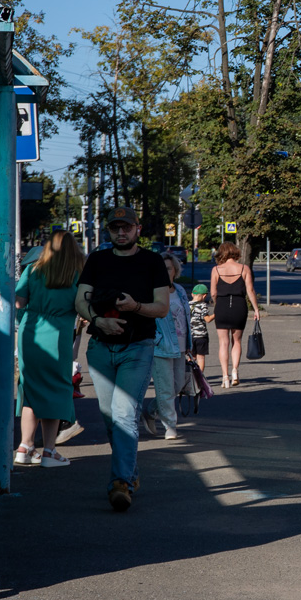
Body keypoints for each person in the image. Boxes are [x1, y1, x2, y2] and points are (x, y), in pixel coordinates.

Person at [76, 206, 172, 512]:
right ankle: (130, 472)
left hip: (137, 347)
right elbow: (80, 299)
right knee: (110, 418)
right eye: (115, 228)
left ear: (137, 229)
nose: (121, 232)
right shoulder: (98, 260)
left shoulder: (152, 261)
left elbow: (162, 308)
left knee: (124, 413)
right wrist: (98, 320)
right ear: (109, 231)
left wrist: (135, 307)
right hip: (101, 347)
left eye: (126, 227)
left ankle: (121, 484)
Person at [13, 230, 85, 469]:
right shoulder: (76, 274)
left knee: (30, 387)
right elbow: (83, 306)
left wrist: (27, 317)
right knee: (55, 389)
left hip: (30, 332)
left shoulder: (32, 270)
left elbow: (18, 302)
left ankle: (24, 447)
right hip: (58, 334)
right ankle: (50, 452)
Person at [145, 253, 191, 440]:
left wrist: (189, 343)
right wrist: (155, 339)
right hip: (161, 346)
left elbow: (186, 318)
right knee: (165, 389)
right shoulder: (150, 292)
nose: (165, 272)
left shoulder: (179, 290)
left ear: (175, 271)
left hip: (180, 347)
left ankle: (149, 412)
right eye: (162, 269)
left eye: (169, 269)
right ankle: (170, 426)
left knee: (178, 385)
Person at [210, 242, 261, 388]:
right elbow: (250, 291)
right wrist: (256, 309)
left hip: (222, 306)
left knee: (223, 343)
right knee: (236, 341)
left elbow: (213, 292)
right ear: (235, 252)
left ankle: (225, 377)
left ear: (221, 253)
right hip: (239, 306)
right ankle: (235, 372)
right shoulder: (244, 268)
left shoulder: (216, 270)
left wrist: (216, 304)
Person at [188, 283, 212, 379]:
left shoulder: (187, 304)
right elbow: (207, 319)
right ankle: (199, 376)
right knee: (201, 357)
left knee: (191, 357)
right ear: (205, 295)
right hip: (201, 336)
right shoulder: (203, 305)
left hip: (191, 336)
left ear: (192, 294)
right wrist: (215, 315)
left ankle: (190, 375)